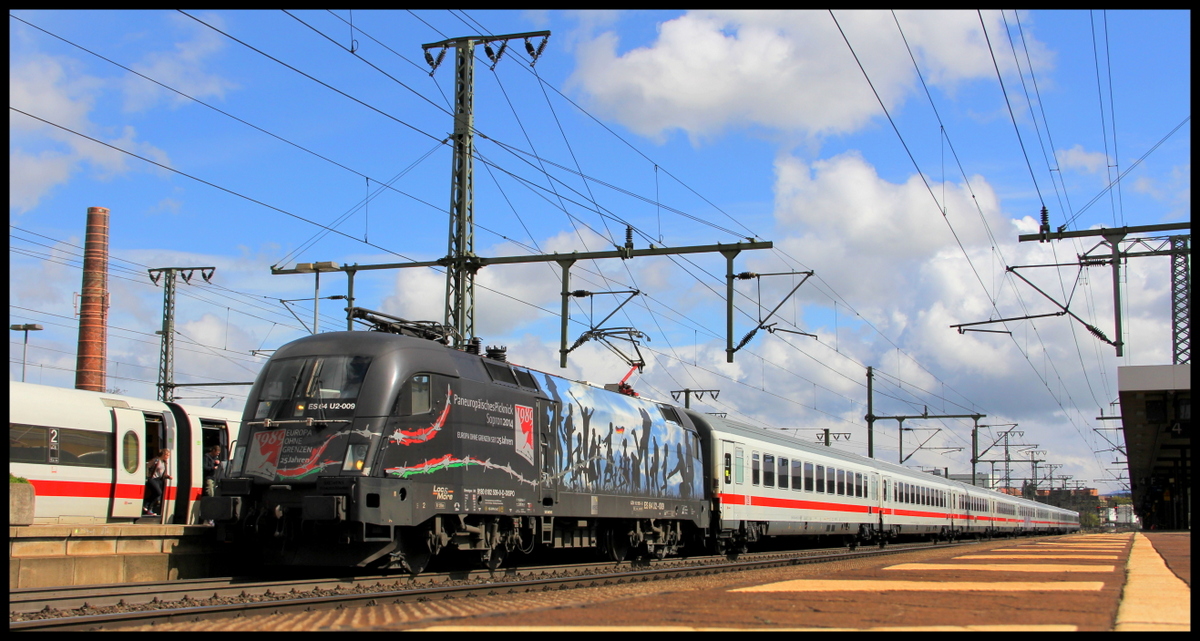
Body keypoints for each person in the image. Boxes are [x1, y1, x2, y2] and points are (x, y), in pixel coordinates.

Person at [143, 448, 172, 517]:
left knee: (157, 494)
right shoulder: (156, 460)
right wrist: (147, 475)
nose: (168, 457)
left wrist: (167, 476)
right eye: (167, 455)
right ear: (163, 454)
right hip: (152, 479)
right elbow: (147, 466)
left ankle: (149, 509)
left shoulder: (164, 463)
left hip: (159, 480)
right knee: (158, 492)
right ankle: (146, 504)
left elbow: (162, 473)